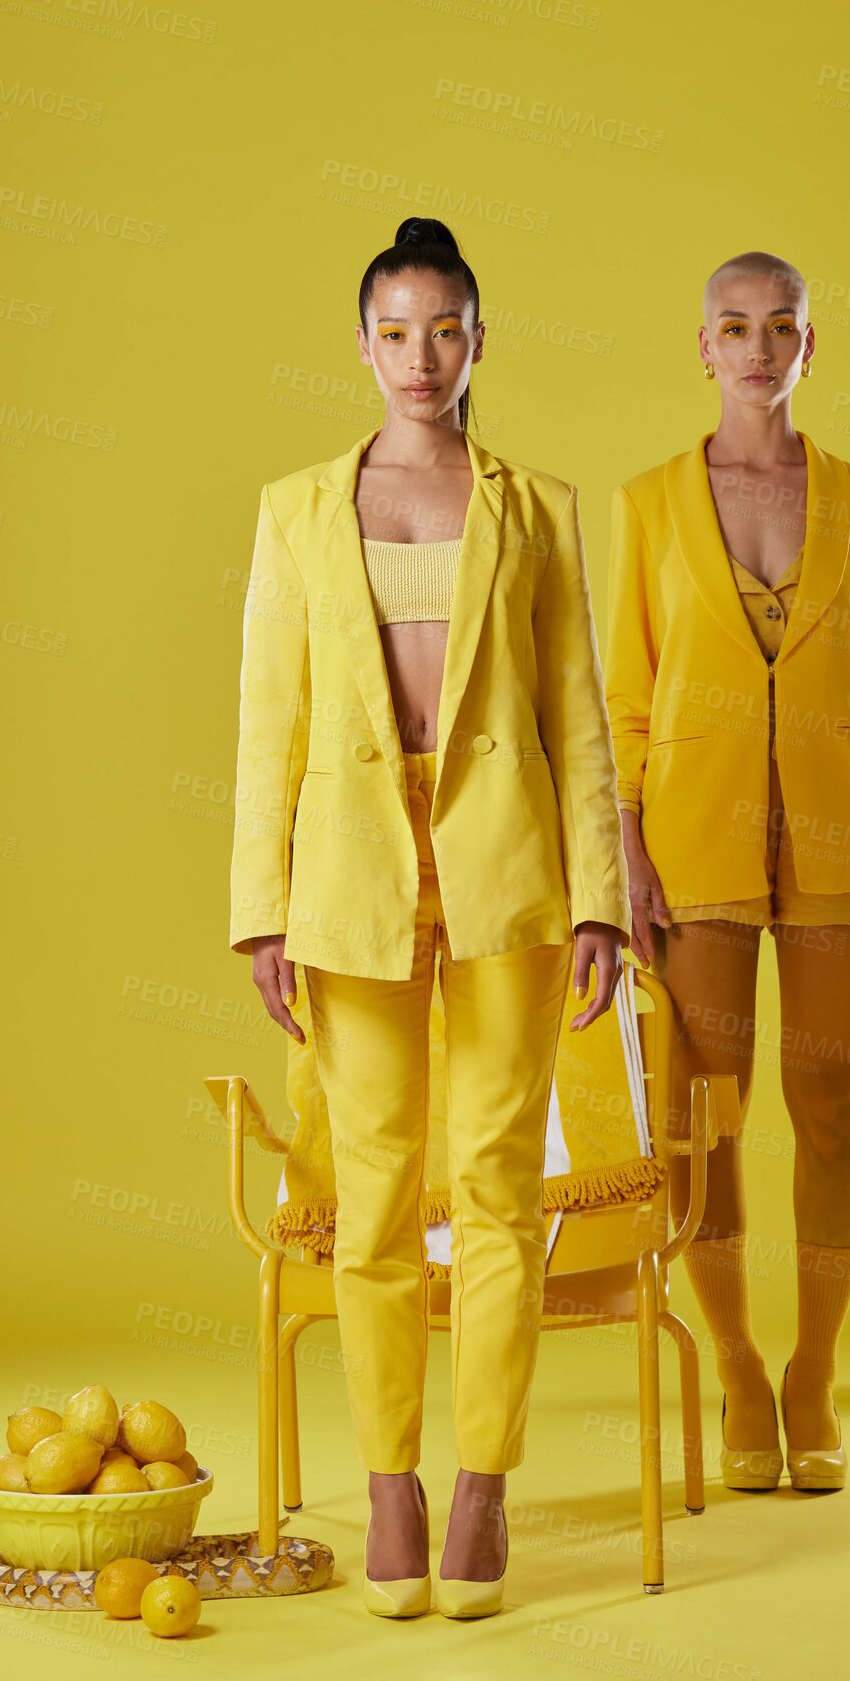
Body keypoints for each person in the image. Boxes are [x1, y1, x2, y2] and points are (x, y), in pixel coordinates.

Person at [229, 217, 630, 1616]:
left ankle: (483, 1483)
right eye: (394, 330)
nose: (420, 355)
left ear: (478, 338)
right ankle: (390, 1479)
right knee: (378, 1194)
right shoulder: (293, 508)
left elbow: (576, 713)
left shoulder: (538, 506)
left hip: (508, 875)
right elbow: (265, 722)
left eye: (444, 328)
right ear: (360, 343)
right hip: (350, 880)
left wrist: (601, 901)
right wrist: (260, 911)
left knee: (503, 1190)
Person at [603, 250, 850, 1494]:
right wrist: (627, 855)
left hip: (847, 840)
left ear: (809, 346)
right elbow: (625, 706)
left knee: (832, 1111)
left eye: (779, 325)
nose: (755, 346)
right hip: (696, 845)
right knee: (707, 1122)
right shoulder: (645, 506)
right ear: (702, 348)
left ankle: (815, 1376)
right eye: (732, 326)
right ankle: (740, 1367)